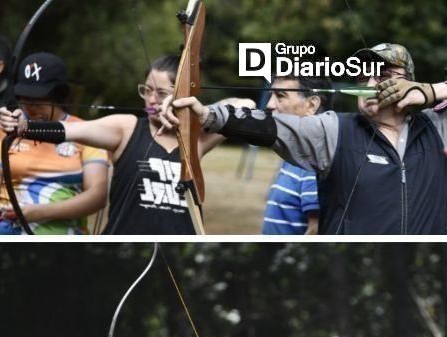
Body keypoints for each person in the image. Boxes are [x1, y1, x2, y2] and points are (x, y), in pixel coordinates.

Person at [161, 43, 447, 233]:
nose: (370, 84)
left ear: (410, 81)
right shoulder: (334, 130)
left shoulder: (436, 127)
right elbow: (270, 126)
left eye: (383, 75)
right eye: (362, 78)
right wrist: (207, 114)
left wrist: (432, 92)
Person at [0, 55, 252, 234]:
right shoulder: (127, 127)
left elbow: (246, 105)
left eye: (162, 94)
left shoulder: (197, 139)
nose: (151, 99)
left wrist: (198, 112)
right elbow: (72, 130)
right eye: (147, 90)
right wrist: (25, 127)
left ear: (184, 95)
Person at [0, 52, 109, 234]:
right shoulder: (2, 129)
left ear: (58, 95)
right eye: (26, 97)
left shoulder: (88, 132)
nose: (31, 105)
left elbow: (97, 196)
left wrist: (38, 212)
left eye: (40, 98)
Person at [261, 75, 331, 234]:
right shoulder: (295, 154)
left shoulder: (312, 163)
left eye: (280, 96)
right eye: (271, 95)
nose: (269, 105)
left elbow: (315, 231)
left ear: (311, 105)